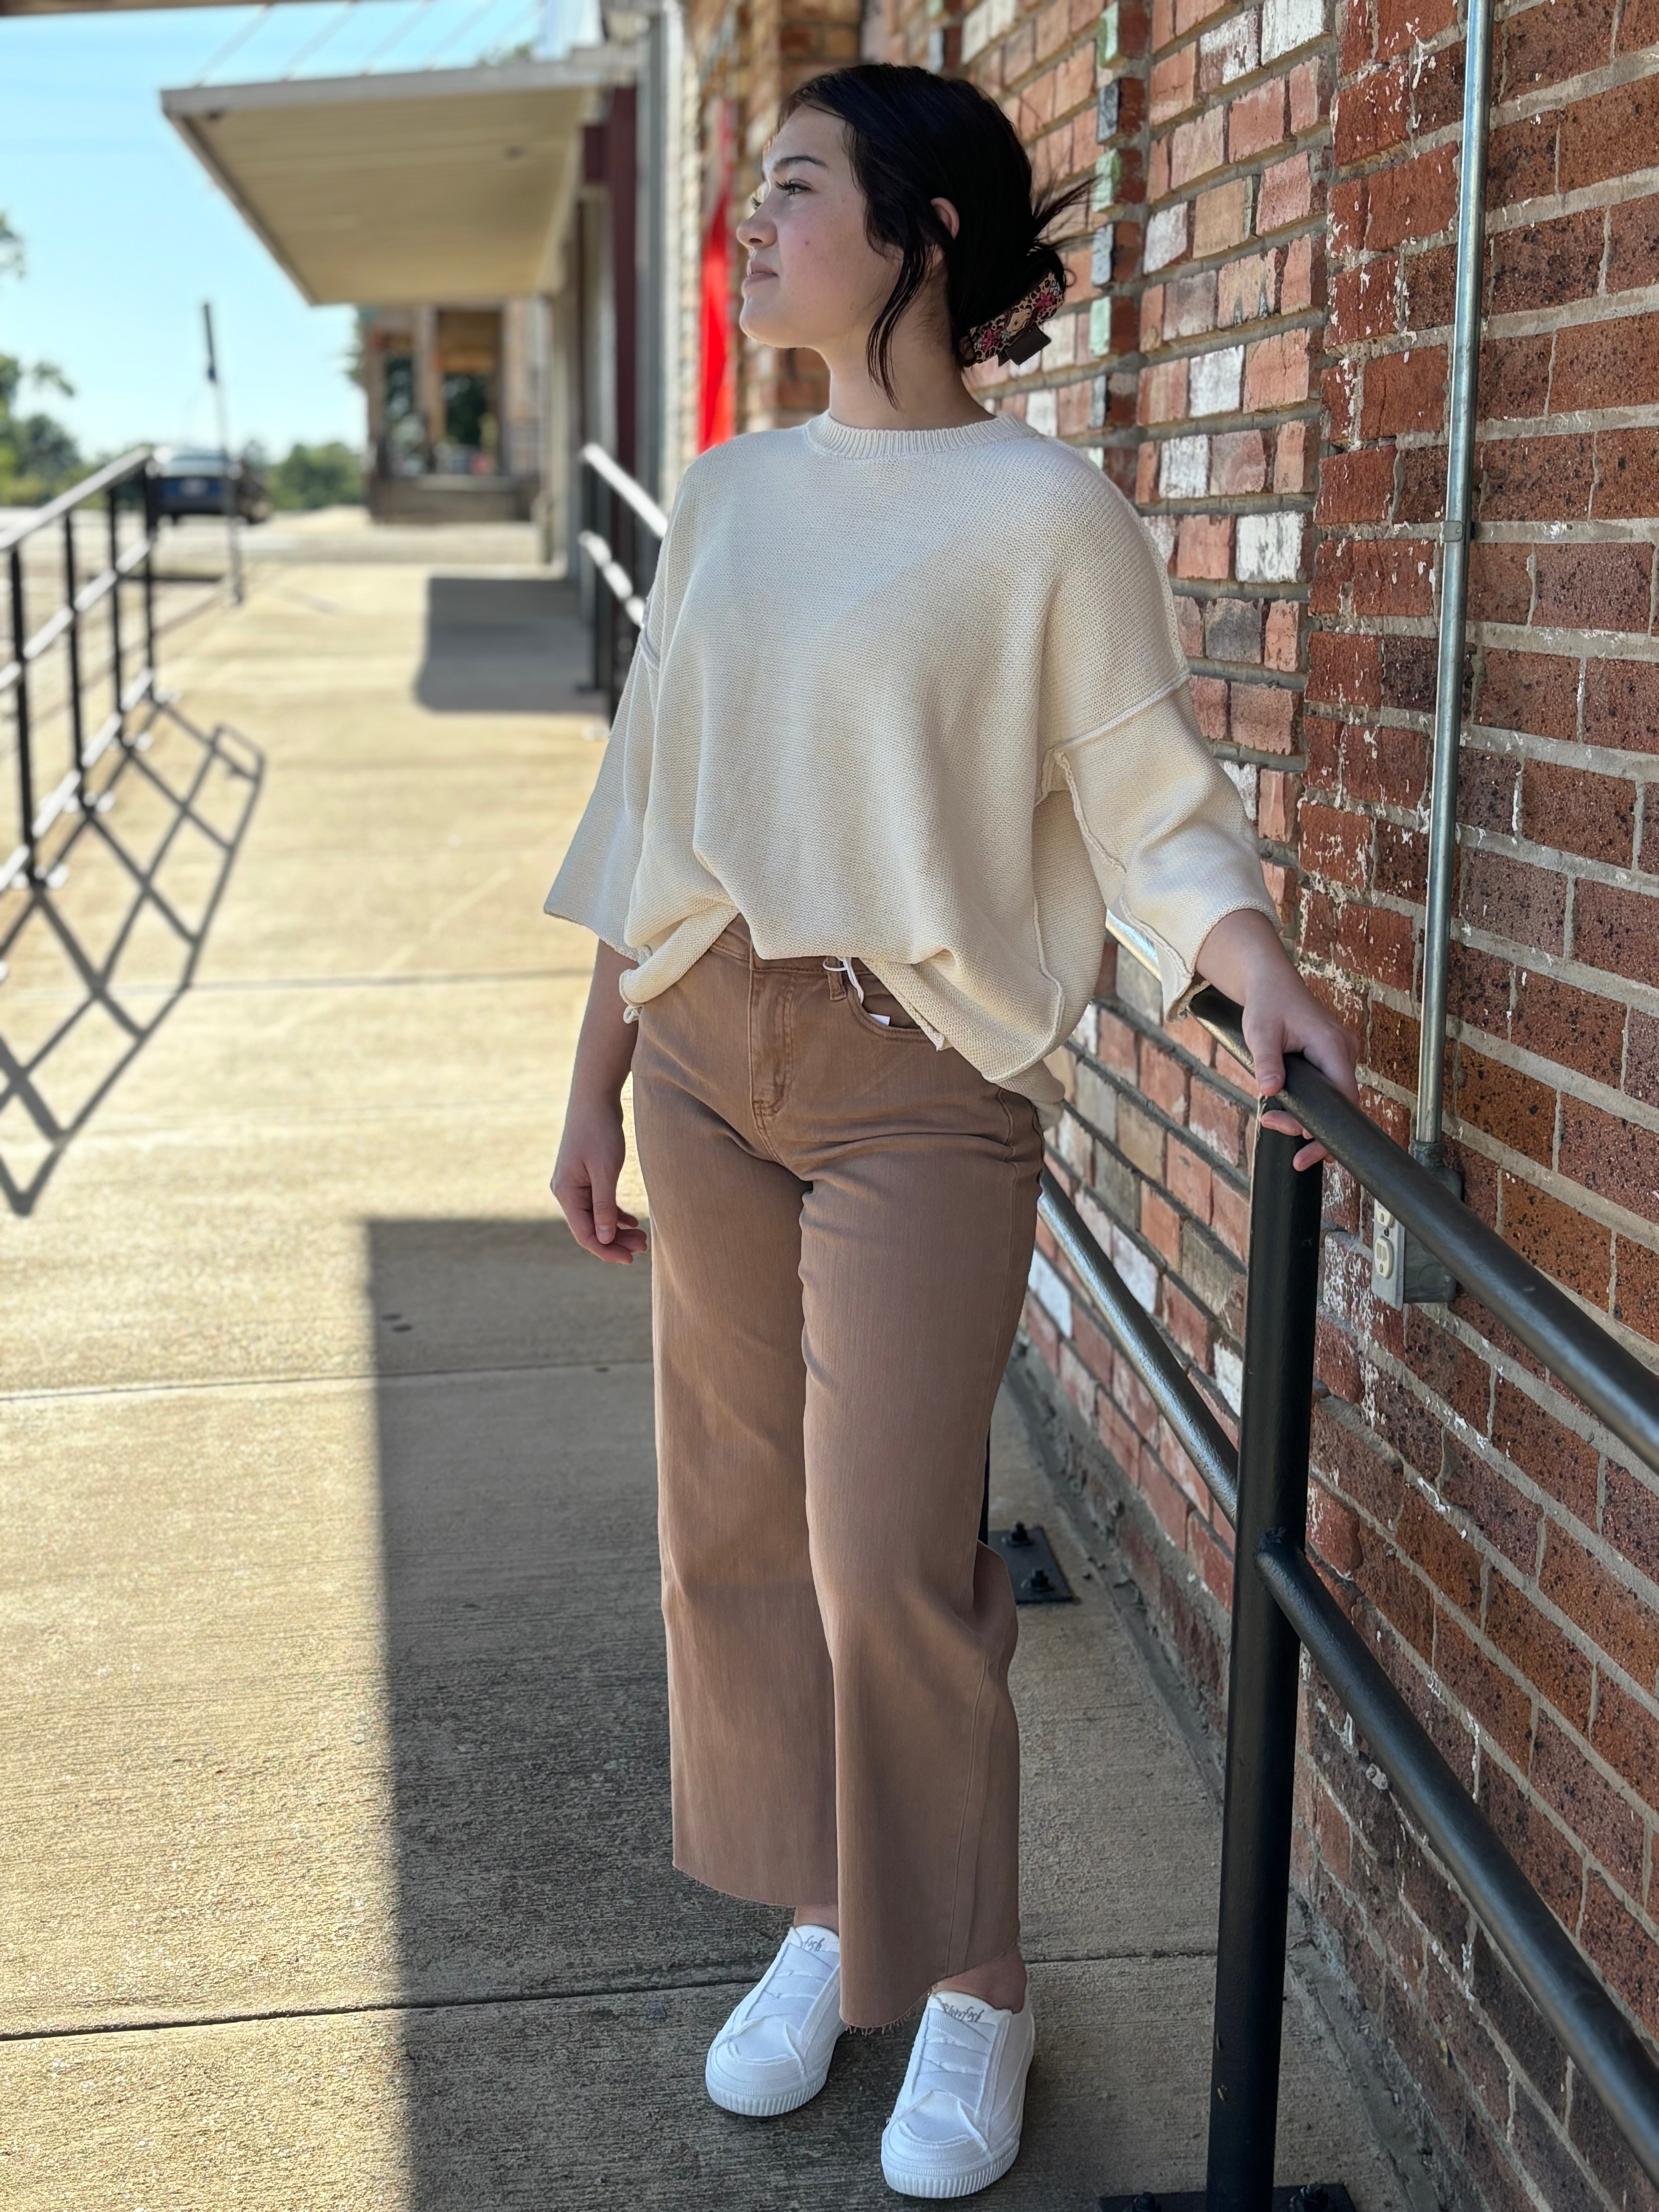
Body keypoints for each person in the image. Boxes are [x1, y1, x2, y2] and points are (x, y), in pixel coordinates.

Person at [547, 61, 1359, 2201]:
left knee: (890, 1555)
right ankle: (837, 1916)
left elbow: (1144, 796)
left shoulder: (1043, 519)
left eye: (796, 186)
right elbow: (654, 807)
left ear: (916, 235)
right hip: (709, 1056)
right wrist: (591, 1076)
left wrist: (1249, 959)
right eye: (756, 188)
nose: (755, 217)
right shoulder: (729, 490)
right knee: (733, 1528)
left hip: (923, 1086)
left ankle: (976, 1978)